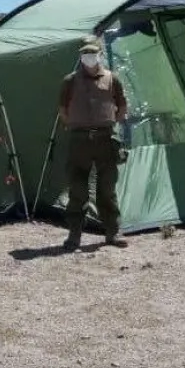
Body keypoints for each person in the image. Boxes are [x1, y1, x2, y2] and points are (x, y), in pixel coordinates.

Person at [58, 39, 129, 251]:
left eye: (93, 54)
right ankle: (74, 235)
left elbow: (122, 105)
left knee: (107, 188)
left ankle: (113, 232)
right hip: (79, 139)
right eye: (85, 55)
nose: (89, 58)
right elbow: (63, 109)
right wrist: (75, 125)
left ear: (100, 55)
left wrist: (110, 125)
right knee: (77, 188)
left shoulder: (112, 79)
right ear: (80, 58)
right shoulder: (70, 81)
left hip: (106, 139)